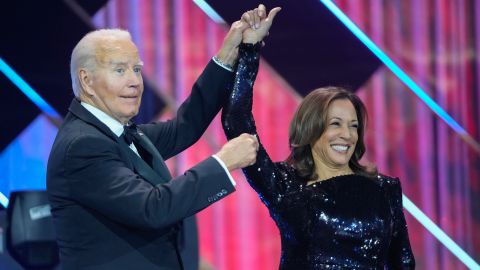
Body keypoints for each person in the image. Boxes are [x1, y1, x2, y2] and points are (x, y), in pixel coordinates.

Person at [46, 6, 266, 269]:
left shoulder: (119, 132)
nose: (135, 82)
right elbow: (152, 208)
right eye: (120, 70)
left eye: (136, 70)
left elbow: (184, 127)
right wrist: (223, 162)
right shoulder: (82, 146)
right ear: (87, 81)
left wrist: (229, 53)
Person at [221, 11, 416, 270]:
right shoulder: (286, 186)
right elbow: (237, 121)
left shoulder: (385, 190)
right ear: (310, 130)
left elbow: (403, 262)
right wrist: (250, 50)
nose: (346, 135)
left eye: (353, 126)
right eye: (335, 124)